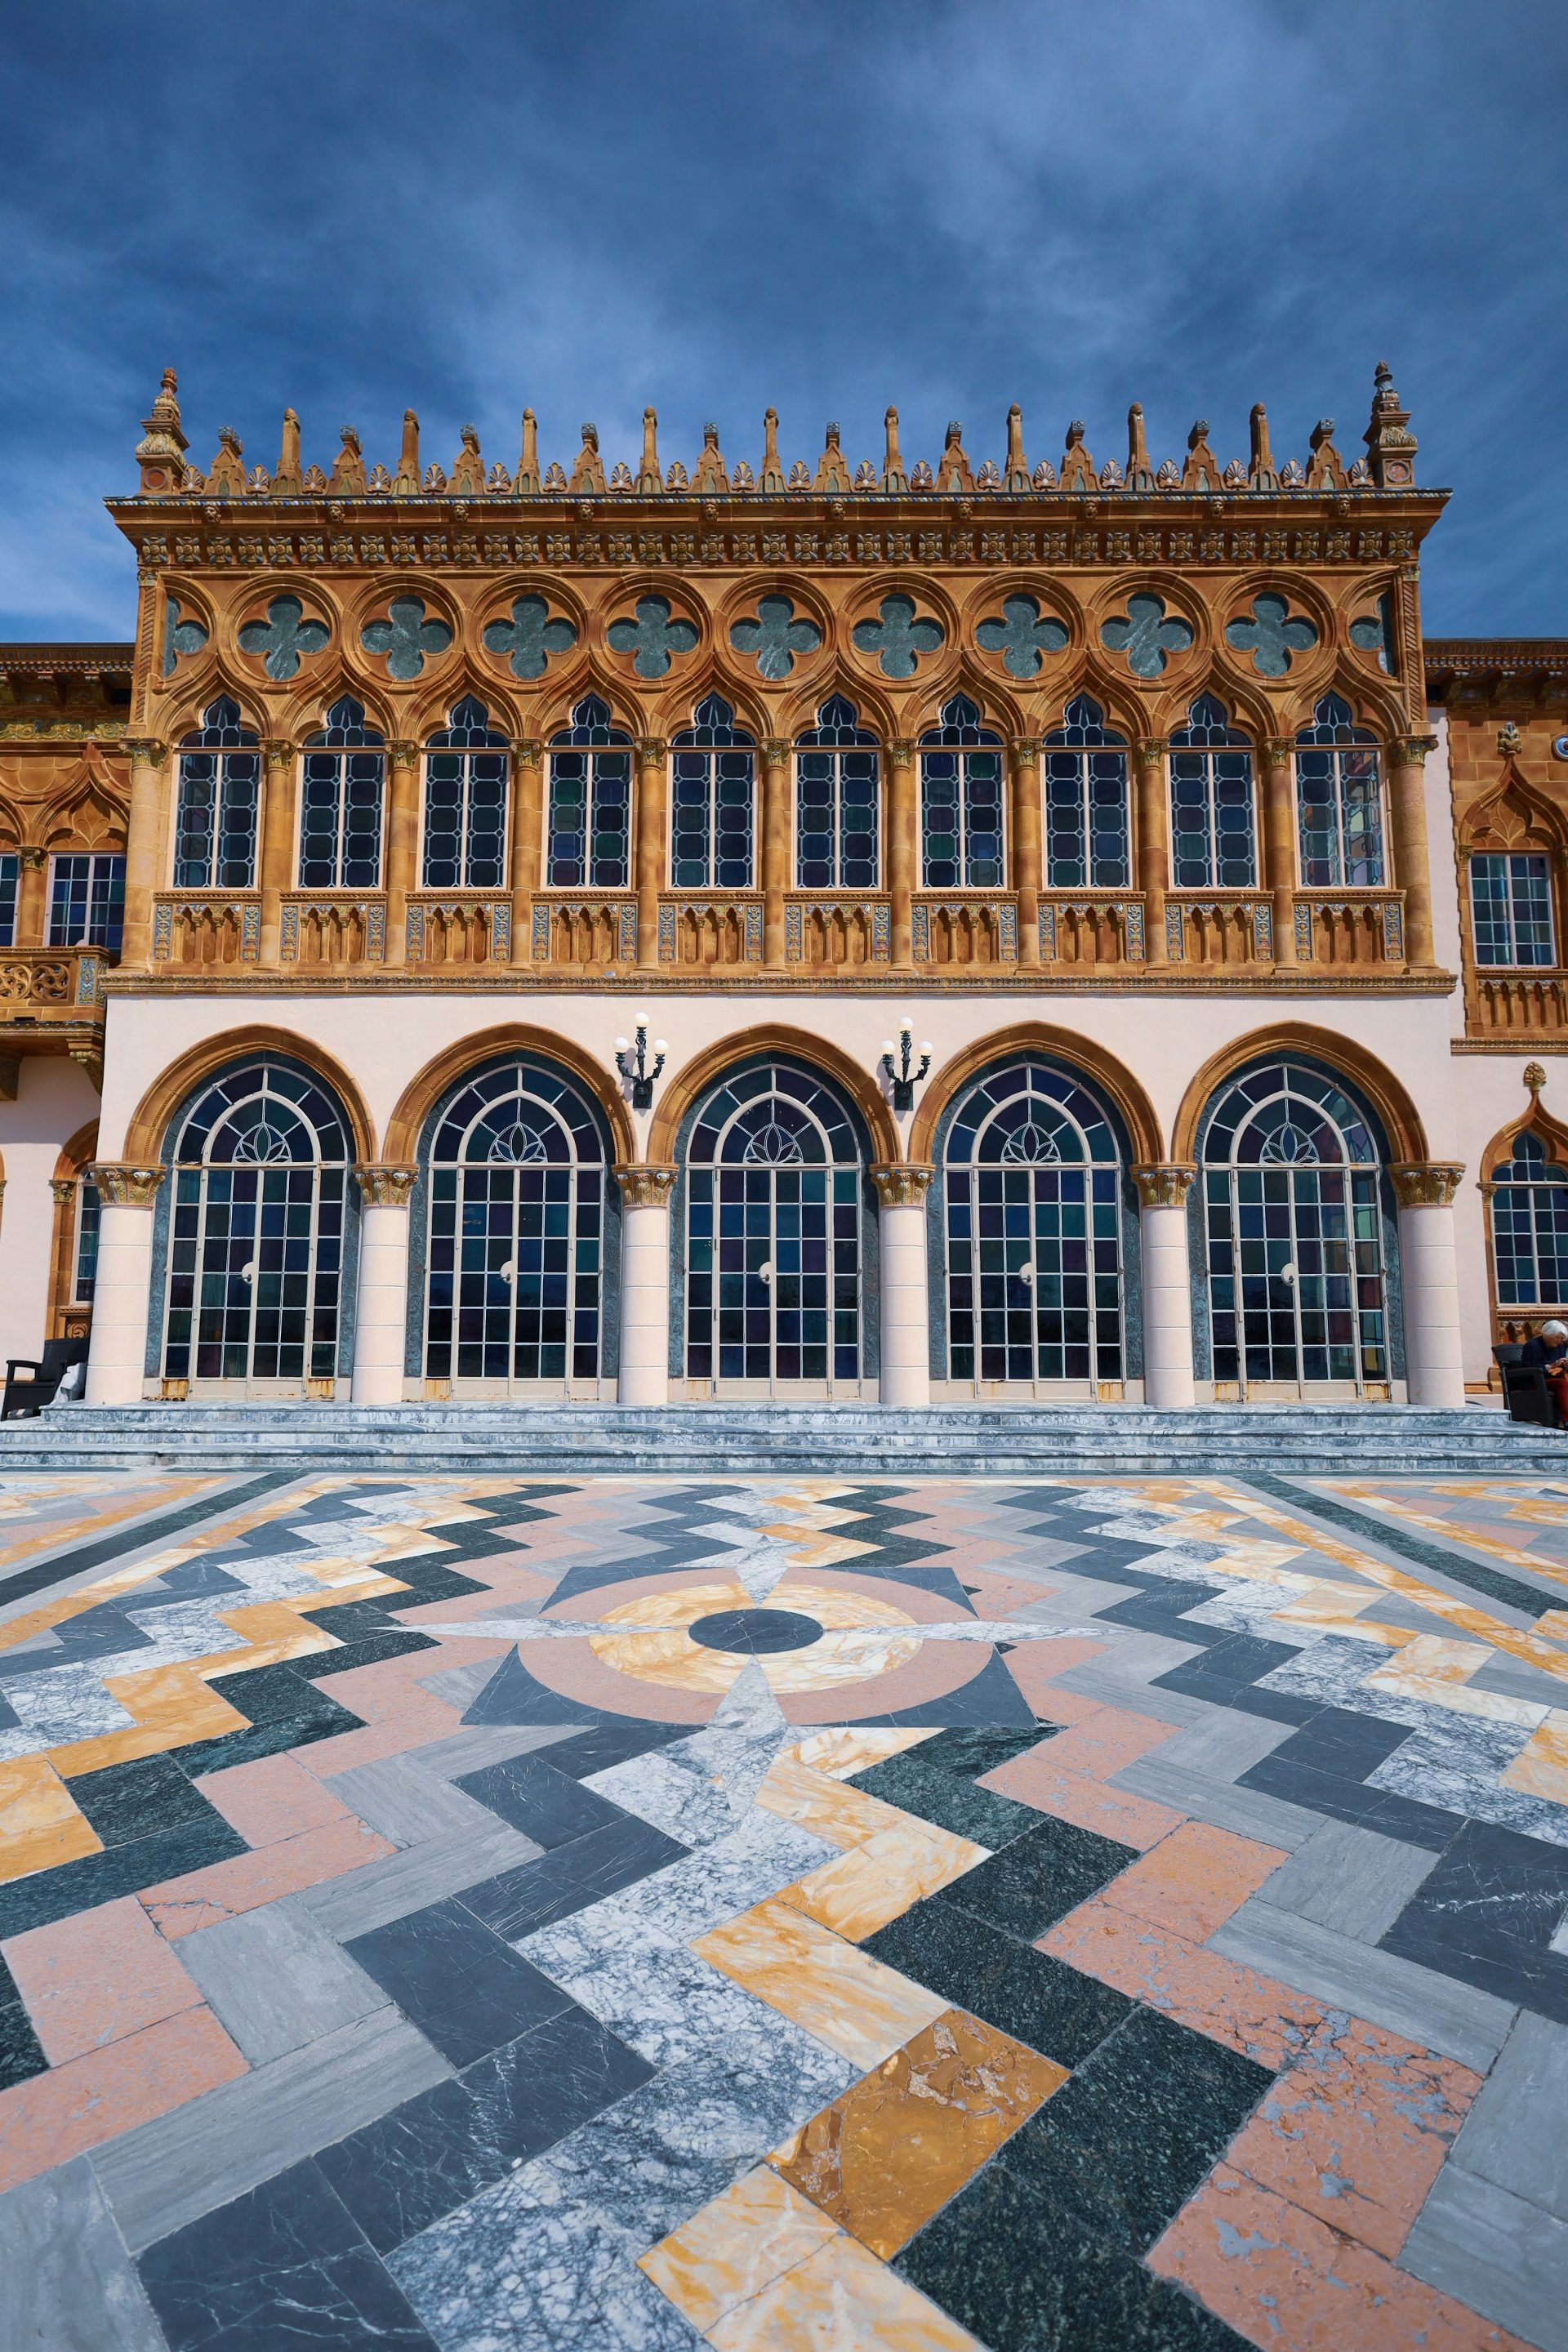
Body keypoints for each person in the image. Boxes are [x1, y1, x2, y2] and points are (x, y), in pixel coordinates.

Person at [1523, 1319, 1568, 1422]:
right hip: (1536, 1380)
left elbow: (1560, 1366)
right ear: (1547, 1334)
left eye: (1561, 1338)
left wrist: (1564, 1365)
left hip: (1554, 1377)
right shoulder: (1533, 1345)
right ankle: (1566, 1419)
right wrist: (1550, 1366)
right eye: (1556, 1337)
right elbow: (1528, 1367)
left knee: (1563, 1382)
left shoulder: (1559, 1346)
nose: (1559, 1341)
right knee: (1562, 1384)